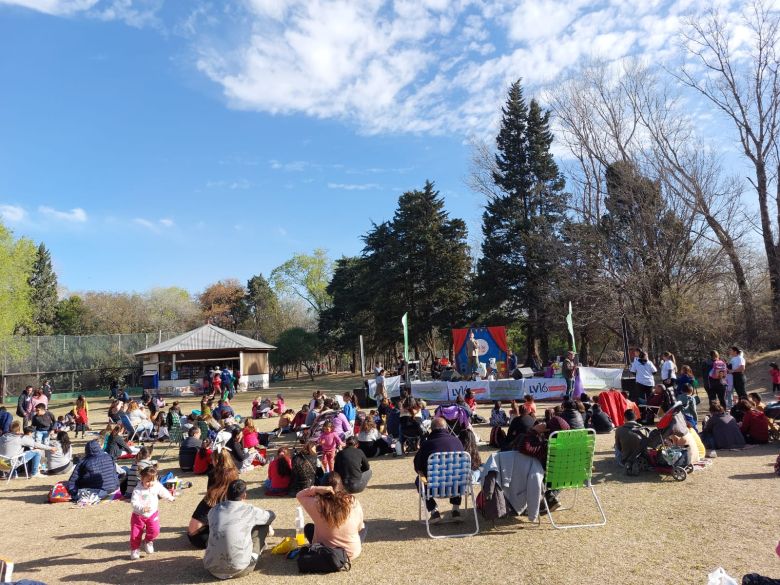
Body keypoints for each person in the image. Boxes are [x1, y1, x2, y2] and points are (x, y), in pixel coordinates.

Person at [203, 479, 276, 579]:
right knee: (263, 526)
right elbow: (270, 516)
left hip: (212, 568)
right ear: (244, 495)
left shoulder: (214, 510)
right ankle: (254, 555)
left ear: (227, 494)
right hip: (240, 569)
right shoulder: (249, 510)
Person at [296, 472, 365, 561]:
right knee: (364, 526)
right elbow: (359, 527)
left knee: (309, 528)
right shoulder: (352, 501)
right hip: (351, 552)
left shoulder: (316, 504)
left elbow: (299, 495)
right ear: (341, 486)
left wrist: (316, 489)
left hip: (325, 551)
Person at [414, 417, 465, 523]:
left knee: (419, 480)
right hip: (456, 486)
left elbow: (418, 467)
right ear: (446, 428)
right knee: (458, 473)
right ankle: (456, 509)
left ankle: (434, 511)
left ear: (431, 429)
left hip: (434, 488)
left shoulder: (427, 445)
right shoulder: (457, 441)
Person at [188, 451, 239, 549]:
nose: (211, 462)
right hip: (202, 539)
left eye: (212, 460)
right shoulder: (227, 499)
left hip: (195, 536)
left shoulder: (210, 497)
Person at [129, 466, 175, 560]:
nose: (150, 484)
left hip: (152, 513)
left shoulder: (156, 485)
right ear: (142, 479)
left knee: (155, 530)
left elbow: (163, 491)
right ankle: (135, 549)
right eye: (147, 481)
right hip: (138, 516)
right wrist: (142, 508)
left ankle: (148, 541)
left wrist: (170, 497)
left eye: (152, 481)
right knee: (135, 534)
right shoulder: (137, 490)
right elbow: (134, 503)